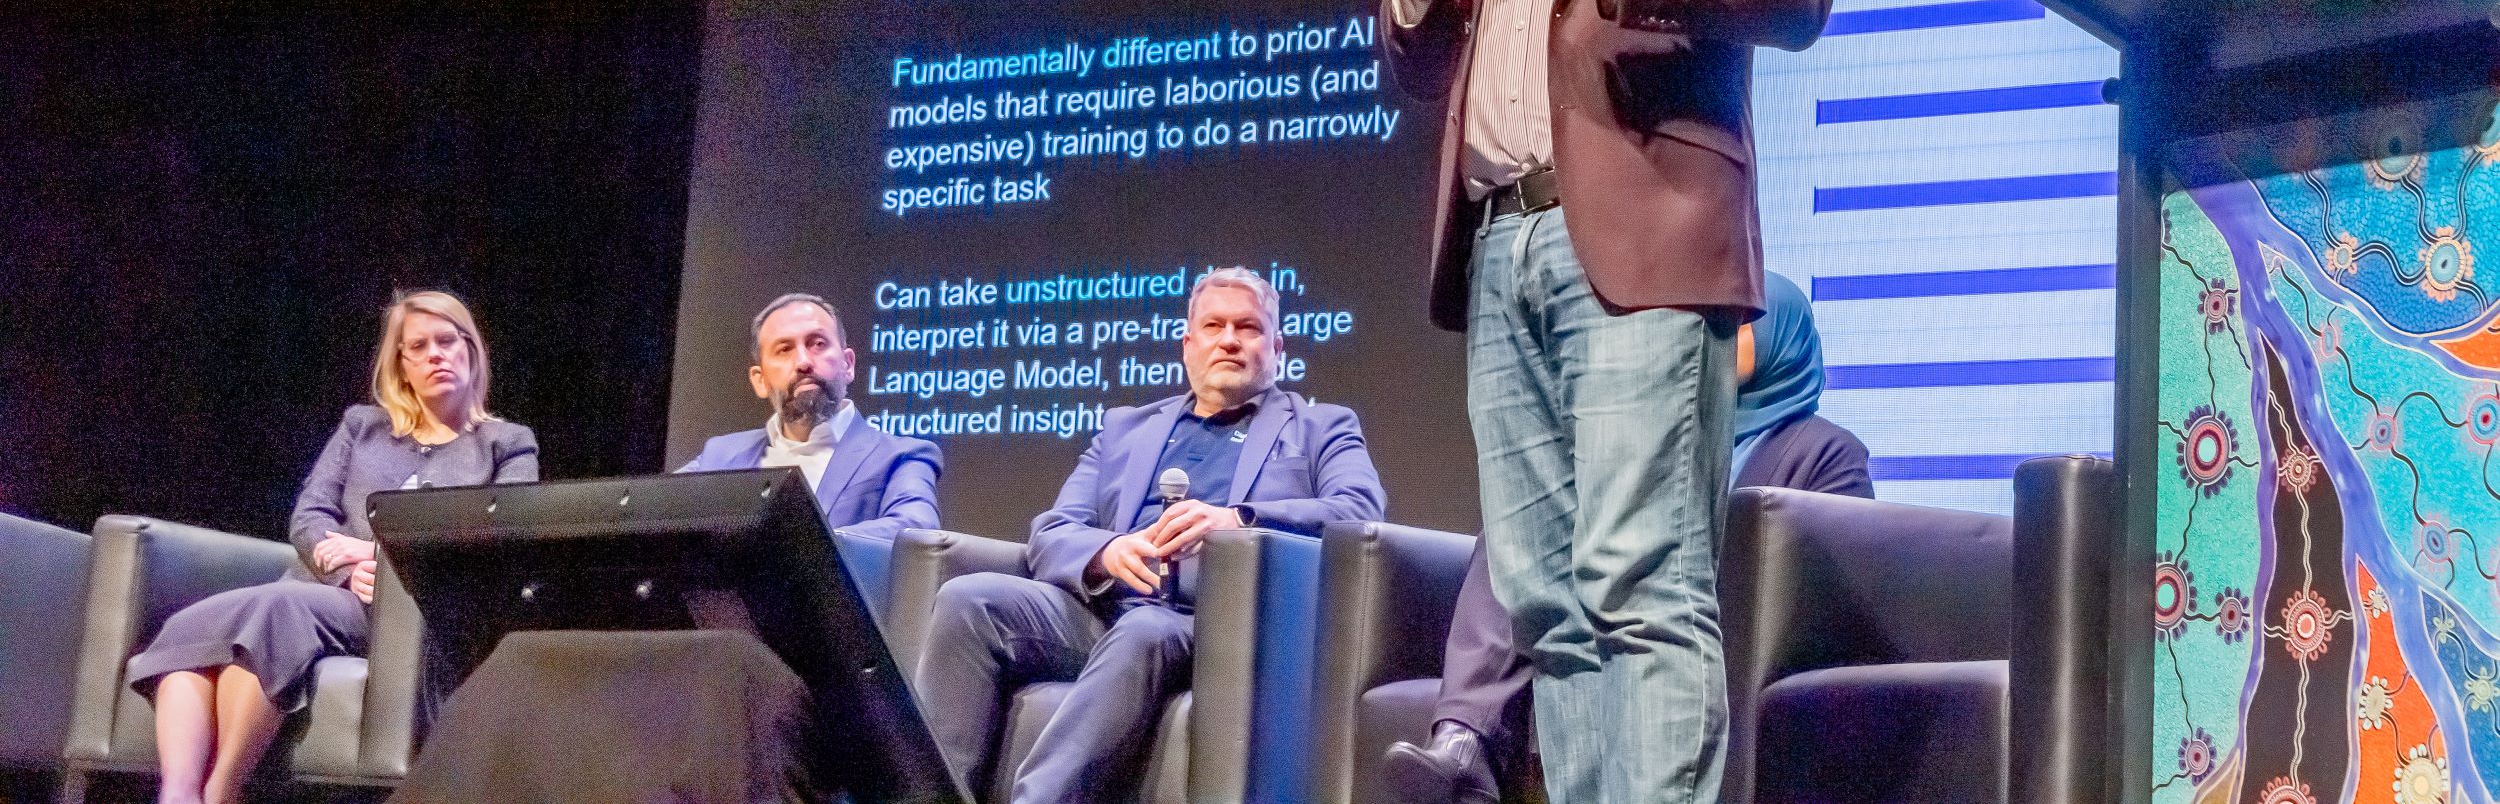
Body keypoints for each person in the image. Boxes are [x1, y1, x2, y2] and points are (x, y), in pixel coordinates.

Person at [1380, 0, 1830, 804]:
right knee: (1545, 596)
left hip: (1640, 236)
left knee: (1640, 573)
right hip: (1501, 238)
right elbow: (1431, 73)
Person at [1384, 273, 1871, 804]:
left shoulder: (1826, 451)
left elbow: (1826, 586)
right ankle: (1464, 743)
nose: (1713, 338)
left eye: (1737, 326)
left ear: (1784, 342)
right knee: (1519, 523)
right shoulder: (1663, 432)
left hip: (1707, 626)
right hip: (1606, 603)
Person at [914, 267, 1386, 804]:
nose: (1229, 339)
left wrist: (1238, 520)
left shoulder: (1319, 426)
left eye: (1248, 328)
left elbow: (1359, 510)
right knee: (969, 599)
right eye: (1213, 326)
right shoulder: (1125, 429)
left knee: (1145, 632)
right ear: (1188, 344)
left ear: (1276, 346)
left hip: (1209, 622)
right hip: (1102, 611)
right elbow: (1053, 528)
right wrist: (1105, 552)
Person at [127, 290, 539, 804]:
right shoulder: (362, 428)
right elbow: (310, 514)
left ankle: (224, 791)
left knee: (273, 610)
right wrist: (338, 567)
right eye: (419, 346)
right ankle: (180, 793)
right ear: (401, 365)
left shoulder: (507, 444)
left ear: (470, 352)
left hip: (410, 612)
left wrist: (378, 558)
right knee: (199, 628)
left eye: (447, 341)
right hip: (323, 589)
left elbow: (502, 544)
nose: (435, 354)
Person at [679, 291, 941, 535]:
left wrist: (798, 544)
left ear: (847, 364)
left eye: (817, 343)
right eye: (784, 349)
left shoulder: (901, 456)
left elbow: (915, 530)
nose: (803, 361)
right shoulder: (719, 457)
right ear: (760, 380)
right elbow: (648, 515)